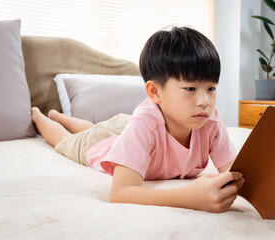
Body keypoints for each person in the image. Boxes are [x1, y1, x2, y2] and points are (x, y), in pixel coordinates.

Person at [31, 26, 244, 213]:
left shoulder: (211, 121)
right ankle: (41, 115)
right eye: (190, 88)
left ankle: (61, 116)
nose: (204, 101)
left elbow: (236, 173)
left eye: (211, 88)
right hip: (119, 135)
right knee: (69, 141)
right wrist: (188, 197)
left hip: (129, 129)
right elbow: (121, 193)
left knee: (92, 128)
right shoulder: (145, 123)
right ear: (155, 92)